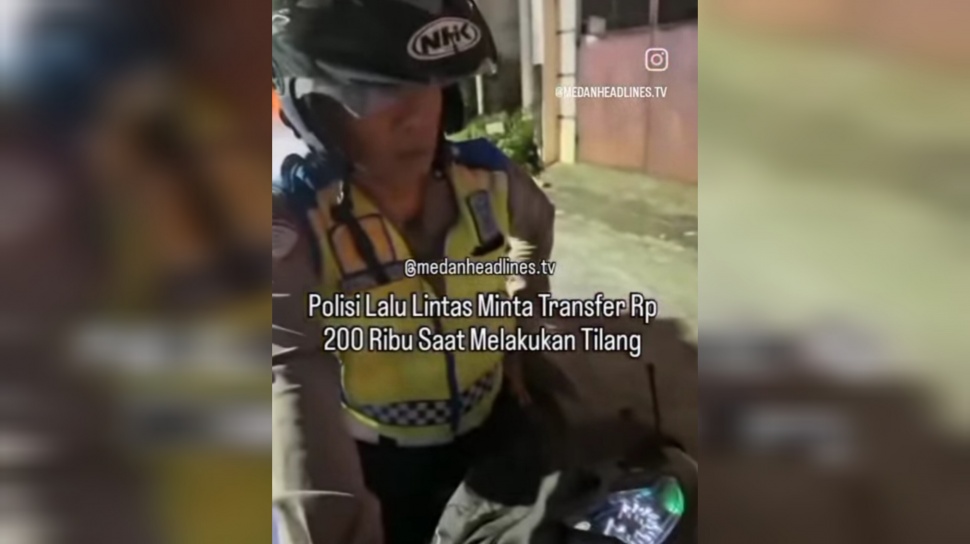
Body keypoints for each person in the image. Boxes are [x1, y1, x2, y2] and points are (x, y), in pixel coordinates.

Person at [270, 1, 557, 544]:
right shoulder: (296, 227)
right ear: (312, 108)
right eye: (373, 92)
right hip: (378, 468)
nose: (413, 117)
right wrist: (331, 526)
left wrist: (522, 335)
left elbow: (535, 236)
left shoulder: (493, 180)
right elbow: (293, 380)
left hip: (496, 433)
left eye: (427, 85)